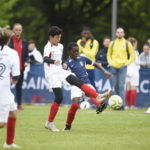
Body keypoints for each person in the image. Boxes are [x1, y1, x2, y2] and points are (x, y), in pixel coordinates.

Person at [43, 26, 111, 132]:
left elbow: (60, 59)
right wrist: (53, 62)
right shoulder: (48, 47)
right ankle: (50, 123)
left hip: (59, 70)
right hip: (51, 73)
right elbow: (45, 58)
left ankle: (97, 96)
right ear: (51, 37)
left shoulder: (60, 46)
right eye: (57, 37)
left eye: (60, 37)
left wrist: (62, 64)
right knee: (59, 97)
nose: (58, 40)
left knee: (74, 79)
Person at [63, 42, 112, 131]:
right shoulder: (67, 63)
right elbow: (63, 72)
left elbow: (96, 64)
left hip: (86, 83)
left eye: (77, 51)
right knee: (74, 106)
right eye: (74, 51)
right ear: (69, 52)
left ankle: (99, 106)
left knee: (91, 93)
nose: (76, 53)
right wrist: (64, 67)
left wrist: (105, 72)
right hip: (75, 85)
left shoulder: (83, 58)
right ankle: (67, 126)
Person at [0, 29, 20, 148]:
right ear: (8, 40)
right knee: (1, 123)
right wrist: (13, 81)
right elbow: (16, 75)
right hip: (3, 90)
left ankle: (9, 143)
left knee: (13, 113)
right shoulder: (12, 53)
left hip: (5, 91)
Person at [107, 27, 135, 108]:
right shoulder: (112, 43)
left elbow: (133, 56)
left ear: (124, 34)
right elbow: (108, 55)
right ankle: (116, 104)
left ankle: (122, 105)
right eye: (118, 32)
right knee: (115, 86)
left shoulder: (127, 43)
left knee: (121, 85)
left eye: (121, 32)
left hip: (123, 67)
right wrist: (110, 62)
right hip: (113, 67)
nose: (119, 33)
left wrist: (127, 63)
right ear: (116, 34)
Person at [9, 23, 29, 110]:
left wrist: (26, 61)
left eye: (19, 30)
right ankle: (6, 104)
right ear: (13, 30)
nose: (18, 31)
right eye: (16, 30)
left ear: (22, 31)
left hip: (20, 69)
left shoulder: (24, 42)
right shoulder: (9, 41)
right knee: (6, 86)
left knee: (19, 87)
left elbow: (27, 55)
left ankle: (19, 104)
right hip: (9, 69)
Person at [125, 37, 140, 109]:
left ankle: (127, 105)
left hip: (127, 70)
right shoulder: (134, 51)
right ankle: (133, 105)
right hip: (133, 70)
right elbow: (137, 62)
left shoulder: (126, 51)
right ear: (134, 43)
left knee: (128, 88)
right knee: (134, 87)